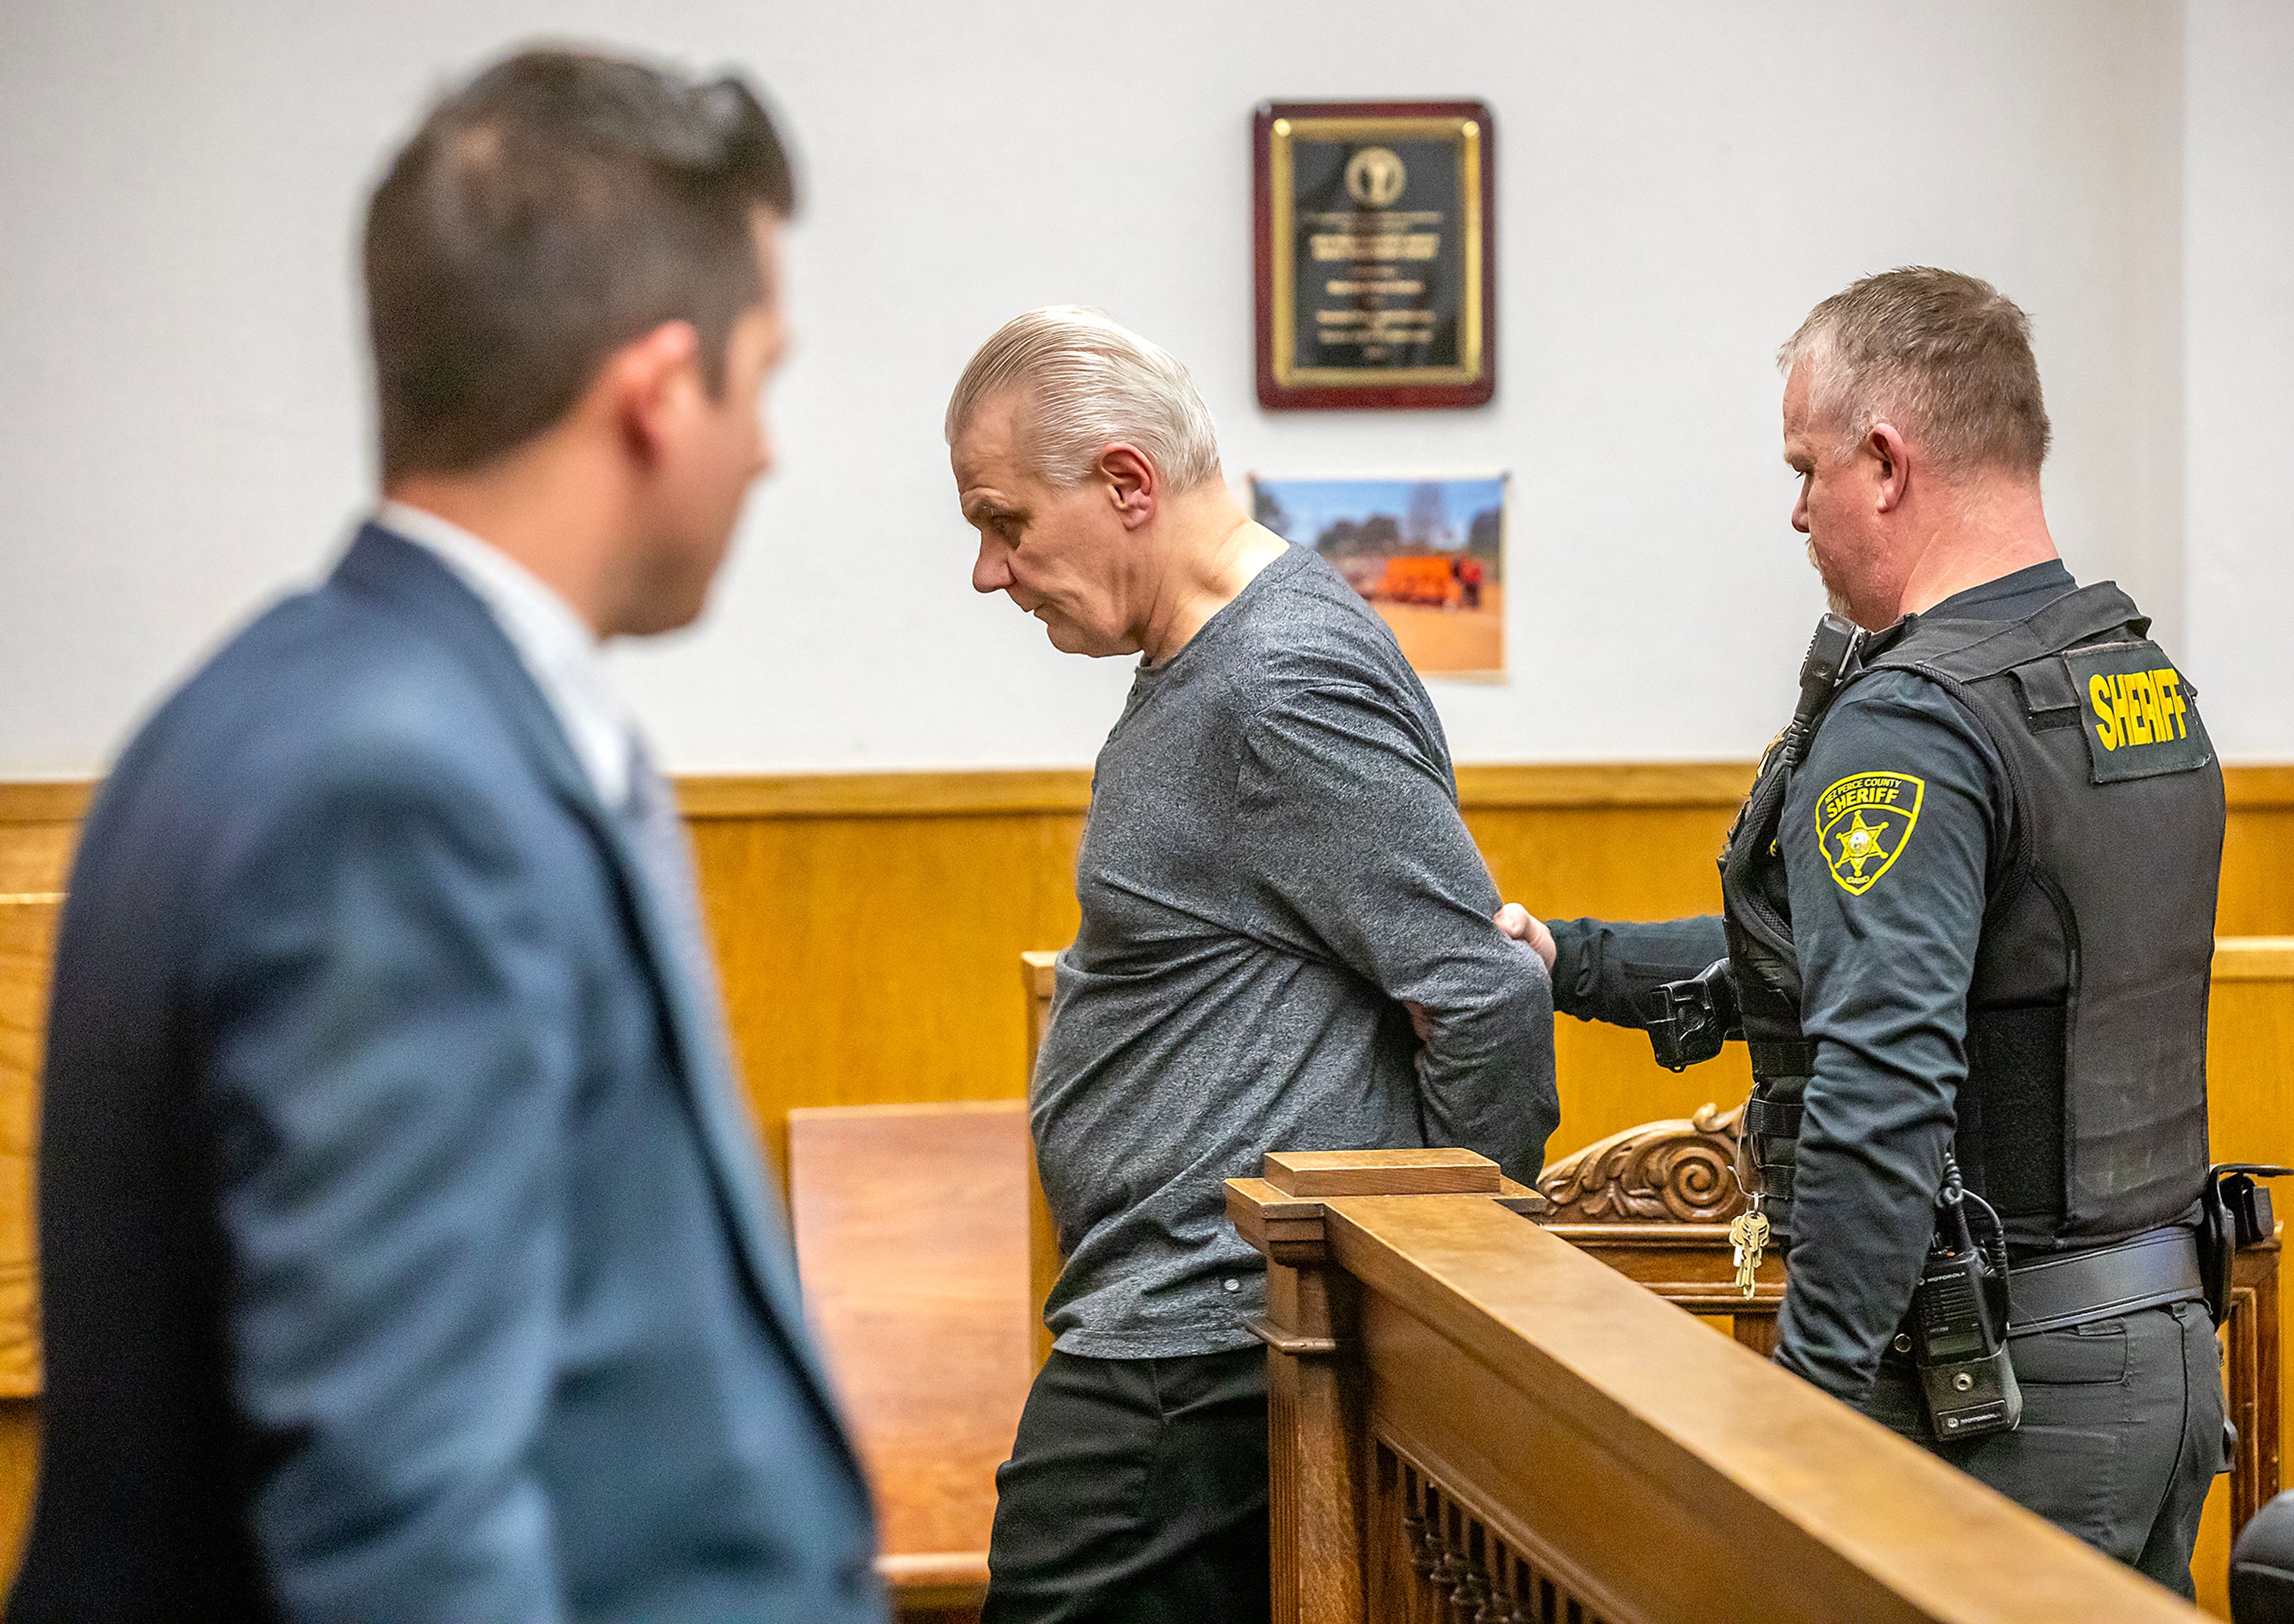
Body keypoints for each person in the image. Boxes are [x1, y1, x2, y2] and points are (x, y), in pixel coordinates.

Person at [13, 49, 882, 1623]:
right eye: (763, 377)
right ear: (658, 389)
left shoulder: (320, 704)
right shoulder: (393, 789)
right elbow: (403, 1525)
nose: (767, 447)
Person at [1496, 268, 2227, 1596]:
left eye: (1806, 466)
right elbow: (1962, 975)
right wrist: (1579, 963)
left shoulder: (1915, 721)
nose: (1796, 510)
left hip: (2000, 1391)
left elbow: (1883, 1083)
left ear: (1887, 463)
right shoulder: (2129, 681)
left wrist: (1807, 1410)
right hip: (2160, 1342)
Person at [947, 307, 1558, 1623]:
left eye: (1003, 522)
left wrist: (1442, 1320)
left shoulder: (1277, 683)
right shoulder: (1205, 662)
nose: (991, 573)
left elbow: (1480, 991)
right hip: (1170, 1339)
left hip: (1199, 1362)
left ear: (1125, 484)